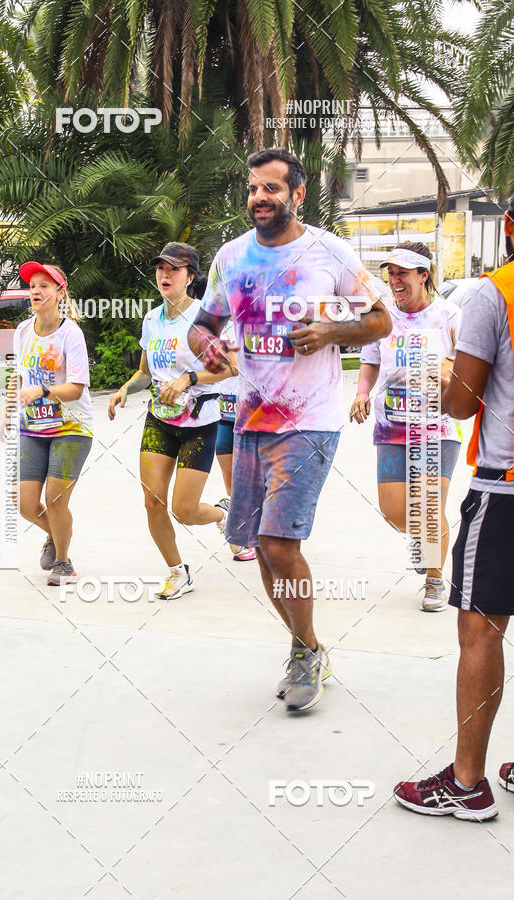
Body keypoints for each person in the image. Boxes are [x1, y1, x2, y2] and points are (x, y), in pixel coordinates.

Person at [188, 147, 392, 712]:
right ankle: (308, 646)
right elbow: (202, 326)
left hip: (310, 422)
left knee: (280, 542)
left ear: (297, 195)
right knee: (257, 544)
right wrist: (207, 348)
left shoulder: (329, 251)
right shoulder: (231, 256)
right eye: (253, 188)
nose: (259, 197)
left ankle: (305, 653)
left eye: (271, 188)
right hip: (250, 418)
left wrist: (331, 332)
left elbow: (380, 319)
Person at [394, 200, 514, 820]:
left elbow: (464, 402)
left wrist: (439, 376)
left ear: (509, 227)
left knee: (481, 630)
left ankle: (467, 783)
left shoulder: (496, 294)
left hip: (506, 488)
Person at [108, 242, 234, 599]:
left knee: (184, 511)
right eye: (161, 268)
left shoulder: (205, 319)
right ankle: (177, 571)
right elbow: (144, 372)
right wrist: (125, 389)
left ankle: (223, 516)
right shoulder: (151, 319)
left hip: (199, 425)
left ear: (190, 277)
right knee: (152, 501)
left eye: (174, 269)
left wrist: (188, 379)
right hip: (159, 421)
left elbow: (229, 368)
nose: (165, 274)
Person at [349, 242, 462, 612]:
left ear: (423, 275)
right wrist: (362, 393)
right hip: (391, 426)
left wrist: (447, 372)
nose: (395, 280)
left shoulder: (449, 316)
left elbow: (467, 366)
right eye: (391, 273)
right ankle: (424, 540)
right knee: (395, 512)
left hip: (437, 427)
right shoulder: (382, 317)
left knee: (429, 507)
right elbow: (369, 361)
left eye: (402, 273)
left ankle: (434, 580)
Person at [4, 261, 93, 585]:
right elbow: (19, 375)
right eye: (32, 286)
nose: (36, 291)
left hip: (72, 427)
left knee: (56, 499)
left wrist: (42, 390)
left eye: (44, 286)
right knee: (25, 503)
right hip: (33, 428)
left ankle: (63, 563)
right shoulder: (23, 331)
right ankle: (56, 534)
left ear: (60, 293)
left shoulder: (71, 334)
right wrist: (7, 408)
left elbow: (77, 388)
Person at [215, 319, 256, 562]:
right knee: (230, 480)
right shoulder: (210, 325)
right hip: (222, 412)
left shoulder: (253, 322)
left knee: (251, 479)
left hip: (250, 412)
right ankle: (243, 531)